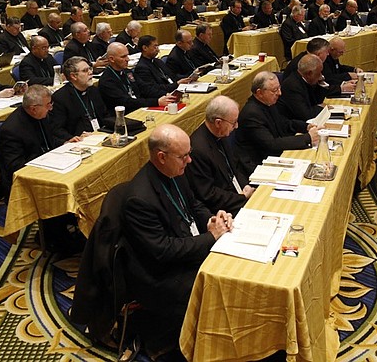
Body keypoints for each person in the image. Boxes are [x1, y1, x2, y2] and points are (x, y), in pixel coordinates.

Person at [121, 124, 232, 357]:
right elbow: (162, 250)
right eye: (184, 156)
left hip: (184, 245)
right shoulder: (139, 199)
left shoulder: (175, 172)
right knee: (218, 282)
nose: (189, 161)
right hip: (159, 273)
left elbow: (194, 205)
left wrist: (213, 219)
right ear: (161, 157)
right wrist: (210, 237)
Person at [0, 84, 83, 253]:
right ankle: (55, 239)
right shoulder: (11, 130)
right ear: (33, 108)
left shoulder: (41, 117)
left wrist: (65, 142)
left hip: (50, 166)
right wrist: (48, 161)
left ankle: (75, 218)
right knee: (64, 186)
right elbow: (15, 166)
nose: (51, 108)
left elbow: (49, 138)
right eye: (48, 105)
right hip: (24, 181)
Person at [235, 71, 319, 175]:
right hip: (261, 164)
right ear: (259, 92)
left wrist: (306, 127)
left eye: (279, 88)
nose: (280, 93)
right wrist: (308, 137)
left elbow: (284, 123)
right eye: (275, 90)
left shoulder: (269, 103)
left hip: (276, 155)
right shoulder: (251, 114)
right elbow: (271, 144)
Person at [187, 96, 252, 215]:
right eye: (233, 122)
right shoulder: (198, 150)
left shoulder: (221, 134)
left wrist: (245, 186)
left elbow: (235, 167)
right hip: (222, 209)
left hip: (236, 195)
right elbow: (208, 194)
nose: (236, 126)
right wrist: (242, 198)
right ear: (218, 122)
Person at [98, 42, 174, 112]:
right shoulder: (107, 80)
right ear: (112, 59)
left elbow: (145, 88)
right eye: (123, 57)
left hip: (138, 107)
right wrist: (156, 101)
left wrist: (165, 94)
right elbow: (126, 102)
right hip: (125, 114)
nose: (127, 59)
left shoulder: (127, 71)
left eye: (127, 55)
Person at [50, 57, 111, 142]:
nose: (90, 72)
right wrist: (74, 137)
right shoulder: (60, 98)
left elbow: (105, 114)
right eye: (85, 70)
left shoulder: (93, 90)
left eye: (90, 68)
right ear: (73, 76)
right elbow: (57, 129)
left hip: (102, 135)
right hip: (80, 141)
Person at [277, 54, 328, 120]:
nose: (321, 75)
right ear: (309, 74)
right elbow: (306, 114)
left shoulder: (307, 80)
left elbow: (318, 100)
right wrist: (321, 108)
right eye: (319, 73)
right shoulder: (292, 86)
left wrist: (321, 82)